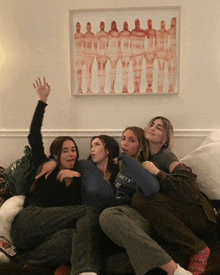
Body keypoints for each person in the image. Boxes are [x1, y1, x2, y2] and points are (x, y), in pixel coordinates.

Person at [11, 77, 102, 275]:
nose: (71, 154)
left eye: (74, 150)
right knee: (89, 212)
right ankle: (86, 271)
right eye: (65, 150)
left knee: (73, 238)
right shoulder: (45, 165)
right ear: (56, 154)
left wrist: (73, 180)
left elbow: (69, 214)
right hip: (28, 221)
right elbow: (34, 135)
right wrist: (42, 101)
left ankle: (24, 260)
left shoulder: (76, 177)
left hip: (44, 236)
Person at [99, 126, 193, 275]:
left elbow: (151, 189)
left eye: (131, 140)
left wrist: (128, 160)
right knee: (98, 219)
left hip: (139, 218)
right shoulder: (121, 165)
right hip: (121, 217)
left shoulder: (144, 166)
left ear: (141, 145)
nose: (124, 143)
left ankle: (175, 271)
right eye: (123, 139)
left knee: (108, 216)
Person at [131, 116, 218, 275]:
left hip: (200, 214)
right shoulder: (144, 158)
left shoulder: (166, 157)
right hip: (180, 216)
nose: (152, 128)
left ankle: (198, 248)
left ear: (165, 138)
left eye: (159, 127)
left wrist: (157, 172)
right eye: (151, 125)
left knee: (140, 199)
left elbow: (189, 190)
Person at [96, 21, 109, 94]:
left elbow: (107, 45)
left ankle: (102, 88)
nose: (102, 26)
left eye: (103, 25)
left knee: (103, 71)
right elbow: (96, 44)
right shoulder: (97, 34)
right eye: (101, 25)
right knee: (99, 71)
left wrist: (106, 54)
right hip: (99, 54)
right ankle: (100, 88)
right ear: (100, 26)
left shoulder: (106, 34)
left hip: (104, 54)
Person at [144, 19, 157, 94]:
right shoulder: (146, 31)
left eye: (150, 23)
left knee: (151, 69)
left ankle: (150, 86)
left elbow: (156, 41)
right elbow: (144, 41)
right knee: (148, 69)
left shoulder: (154, 32)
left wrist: (155, 51)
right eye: (148, 23)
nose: (149, 24)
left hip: (152, 52)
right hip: (148, 51)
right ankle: (148, 86)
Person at [119, 21, 131, 94]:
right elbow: (120, 44)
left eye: (126, 25)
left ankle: (126, 87)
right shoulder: (121, 34)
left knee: (127, 71)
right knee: (124, 71)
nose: (125, 26)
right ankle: (124, 87)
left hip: (128, 54)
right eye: (124, 25)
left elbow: (130, 44)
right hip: (123, 54)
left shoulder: (130, 34)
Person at [74, 22, 84, 94]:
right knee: (78, 72)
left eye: (79, 26)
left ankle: (80, 88)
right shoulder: (74, 35)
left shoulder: (82, 36)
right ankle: (79, 88)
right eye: (77, 26)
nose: (78, 28)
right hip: (77, 55)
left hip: (81, 55)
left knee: (81, 71)